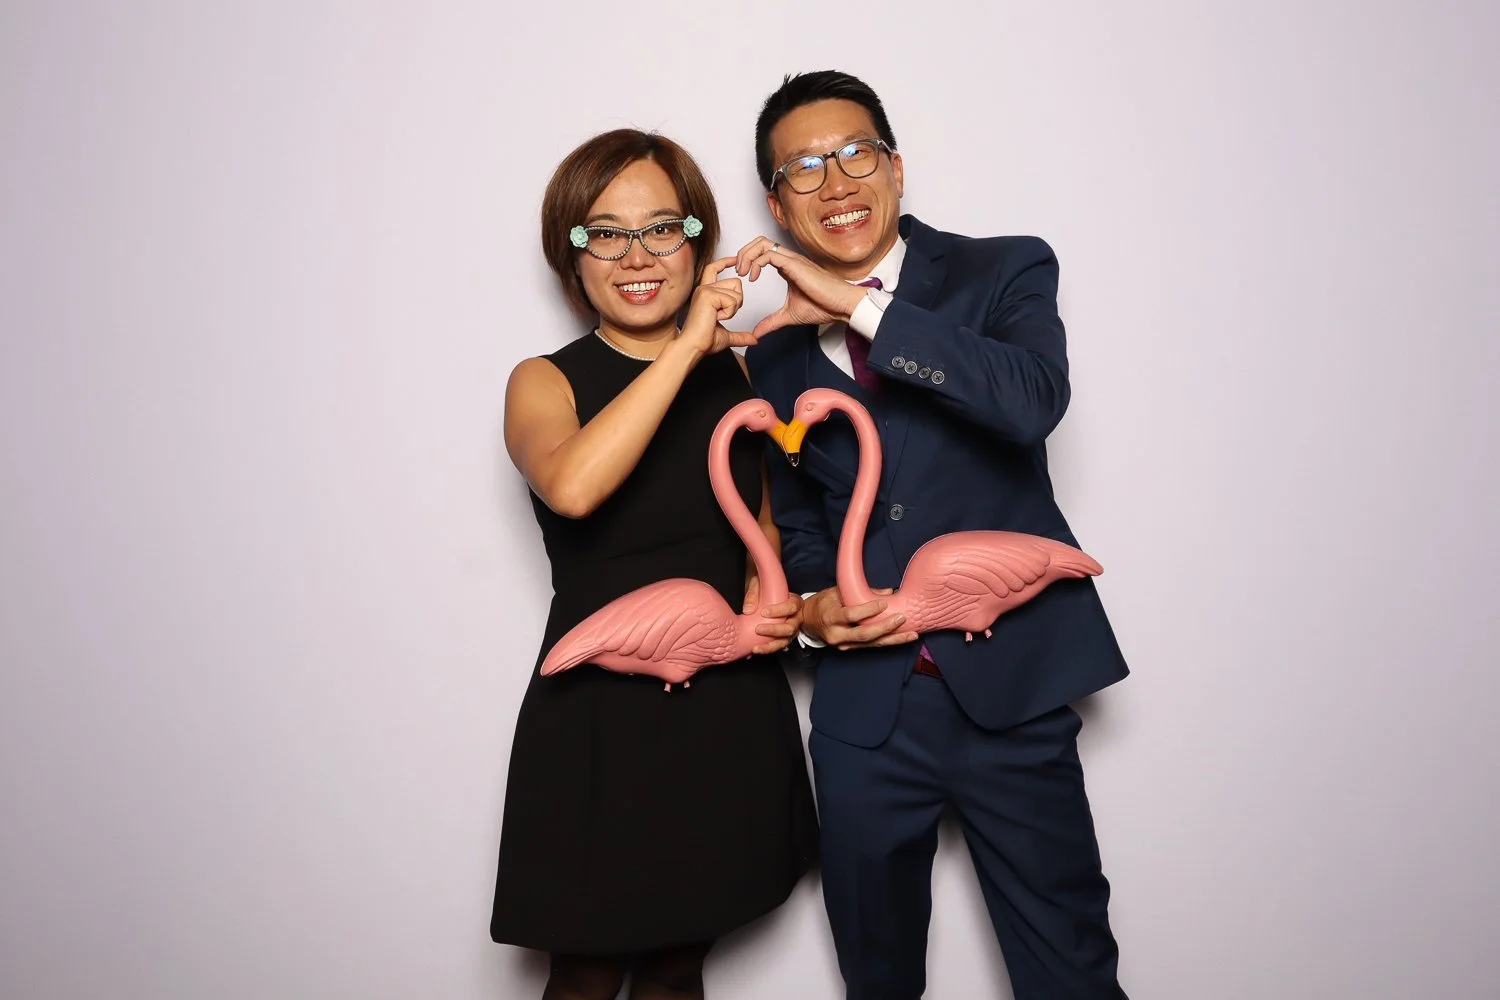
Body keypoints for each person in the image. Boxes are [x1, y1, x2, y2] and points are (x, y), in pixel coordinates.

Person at [738, 70, 1132, 999]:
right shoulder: (776, 355)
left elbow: (1032, 403)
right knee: (876, 979)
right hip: (865, 717)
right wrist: (811, 614)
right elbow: (800, 522)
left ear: (897, 168)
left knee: (1068, 970)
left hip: (1013, 690)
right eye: (803, 168)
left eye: (855, 154)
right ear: (776, 202)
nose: (835, 183)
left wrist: (859, 307)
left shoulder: (1004, 268)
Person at [489, 128, 819, 1000]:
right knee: (588, 971)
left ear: (698, 239)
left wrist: (770, 592)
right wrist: (688, 346)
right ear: (573, 251)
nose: (637, 255)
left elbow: (764, 525)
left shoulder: (742, 383)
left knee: (679, 968)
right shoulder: (544, 381)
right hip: (599, 718)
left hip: (725, 706)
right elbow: (574, 487)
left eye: (662, 228)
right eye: (605, 231)